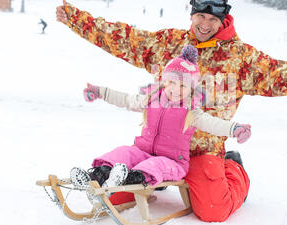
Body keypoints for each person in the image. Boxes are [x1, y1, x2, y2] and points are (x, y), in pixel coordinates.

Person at [56, 0, 287, 222]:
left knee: (213, 210)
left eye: (213, 19)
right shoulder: (167, 44)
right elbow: (123, 38)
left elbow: (283, 74)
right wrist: (74, 17)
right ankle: (155, 179)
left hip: (201, 150)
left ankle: (234, 169)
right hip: (156, 147)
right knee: (115, 194)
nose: (205, 24)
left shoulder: (240, 58)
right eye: (201, 16)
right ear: (192, 14)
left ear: (223, 19)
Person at [70, 46, 252, 200]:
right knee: (123, 152)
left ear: (191, 88)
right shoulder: (151, 100)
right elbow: (125, 99)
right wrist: (101, 92)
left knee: (153, 166)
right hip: (142, 152)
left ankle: (129, 179)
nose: (176, 89)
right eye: (172, 82)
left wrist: (234, 129)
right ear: (165, 82)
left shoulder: (191, 111)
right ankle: (96, 175)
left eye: (183, 86)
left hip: (172, 162)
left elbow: (212, 123)